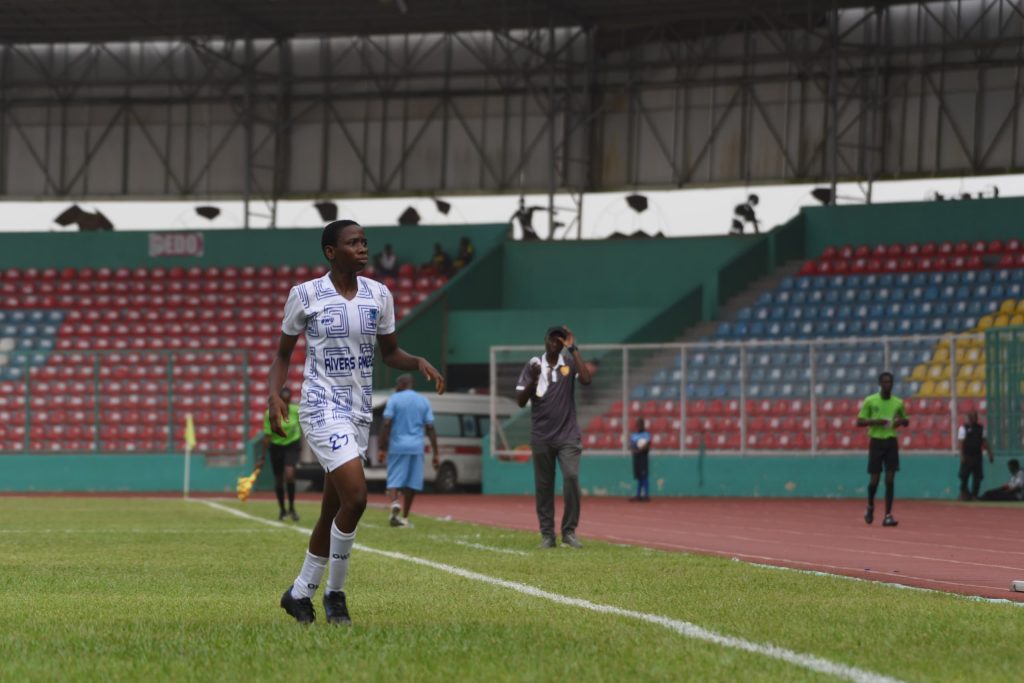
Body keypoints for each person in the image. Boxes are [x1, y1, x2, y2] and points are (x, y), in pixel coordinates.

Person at [269, 219, 445, 626]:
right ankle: (335, 596)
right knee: (359, 499)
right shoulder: (306, 295)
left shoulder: (379, 295)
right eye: (353, 243)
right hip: (320, 407)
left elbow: (390, 353)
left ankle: (298, 594)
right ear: (331, 252)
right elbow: (282, 356)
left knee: (334, 509)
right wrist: (273, 395)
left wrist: (416, 362)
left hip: (358, 411)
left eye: (365, 242)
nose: (363, 248)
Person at [515, 325, 592, 549]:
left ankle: (569, 532)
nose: (555, 342)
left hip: (568, 435)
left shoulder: (568, 363)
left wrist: (574, 348)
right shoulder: (533, 365)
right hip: (541, 436)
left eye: (560, 339)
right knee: (544, 486)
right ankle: (547, 535)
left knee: (571, 477)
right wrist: (534, 379)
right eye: (552, 338)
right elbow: (520, 400)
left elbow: (586, 379)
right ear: (545, 340)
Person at [378, 373, 439, 527]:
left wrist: (382, 447)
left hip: (398, 446)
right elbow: (430, 428)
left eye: (397, 384)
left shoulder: (394, 399)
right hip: (416, 447)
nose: (396, 387)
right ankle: (404, 517)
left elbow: (387, 423)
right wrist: (436, 453)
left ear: (402, 384)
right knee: (412, 483)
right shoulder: (423, 401)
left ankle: (394, 502)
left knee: (394, 479)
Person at [856, 372, 909, 527]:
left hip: (891, 442)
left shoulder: (898, 402)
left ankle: (888, 515)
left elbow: (905, 420)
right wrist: (875, 421)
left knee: (890, 479)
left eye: (890, 382)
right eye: (885, 382)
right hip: (876, 442)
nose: (888, 384)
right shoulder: (870, 400)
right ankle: (870, 506)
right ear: (880, 384)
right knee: (875, 479)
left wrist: (900, 421)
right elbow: (859, 421)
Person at [256, 386, 302, 521]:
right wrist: (262, 457)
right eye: (284, 401)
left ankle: (292, 508)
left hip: (292, 445)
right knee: (278, 480)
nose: (286, 404)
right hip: (276, 447)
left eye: (288, 402)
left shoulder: (296, 411)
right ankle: (282, 510)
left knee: (289, 473)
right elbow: (267, 436)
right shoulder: (270, 414)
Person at [957, 411, 994, 500]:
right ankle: (963, 493)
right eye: (973, 417)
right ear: (969, 418)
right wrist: (962, 455)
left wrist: (989, 453)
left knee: (978, 477)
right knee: (964, 476)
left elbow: (984, 441)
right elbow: (961, 443)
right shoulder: (963, 428)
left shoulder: (980, 428)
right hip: (967, 455)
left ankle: (974, 495)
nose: (975, 418)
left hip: (977, 455)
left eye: (976, 417)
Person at [628, 417, 651, 502]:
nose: (638, 426)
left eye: (639, 424)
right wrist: (633, 449)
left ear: (642, 425)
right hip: (636, 457)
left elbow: (647, 444)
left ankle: (646, 494)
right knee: (639, 477)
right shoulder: (634, 435)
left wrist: (639, 449)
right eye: (637, 424)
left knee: (644, 476)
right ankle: (638, 495)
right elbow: (630, 444)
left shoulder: (646, 434)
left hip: (643, 457)